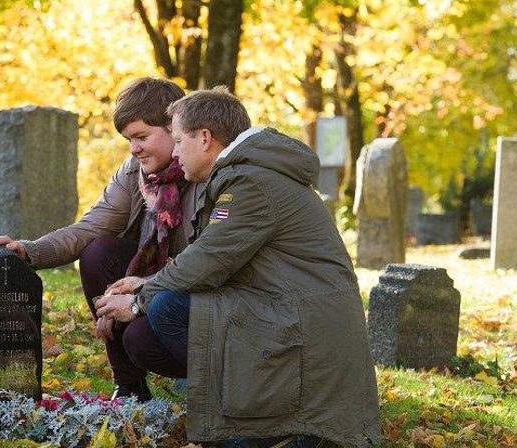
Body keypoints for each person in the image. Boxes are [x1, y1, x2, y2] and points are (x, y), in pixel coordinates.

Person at [95, 87, 381, 447]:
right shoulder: (247, 175)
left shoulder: (251, 182)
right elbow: (213, 258)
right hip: (288, 312)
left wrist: (138, 300)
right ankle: (253, 418)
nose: (177, 151)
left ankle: (275, 425)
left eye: (180, 140)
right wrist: (143, 286)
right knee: (167, 307)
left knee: (166, 308)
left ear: (205, 138)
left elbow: (208, 260)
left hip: (303, 329)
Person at [0, 77, 205, 401]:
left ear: (175, 128)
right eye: (129, 139)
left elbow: (209, 262)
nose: (134, 148)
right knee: (99, 252)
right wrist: (29, 251)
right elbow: (88, 229)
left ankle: (201, 374)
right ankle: (129, 385)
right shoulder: (134, 174)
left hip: (191, 293)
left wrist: (144, 288)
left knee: (139, 339)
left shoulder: (205, 172)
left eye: (142, 137)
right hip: (155, 284)